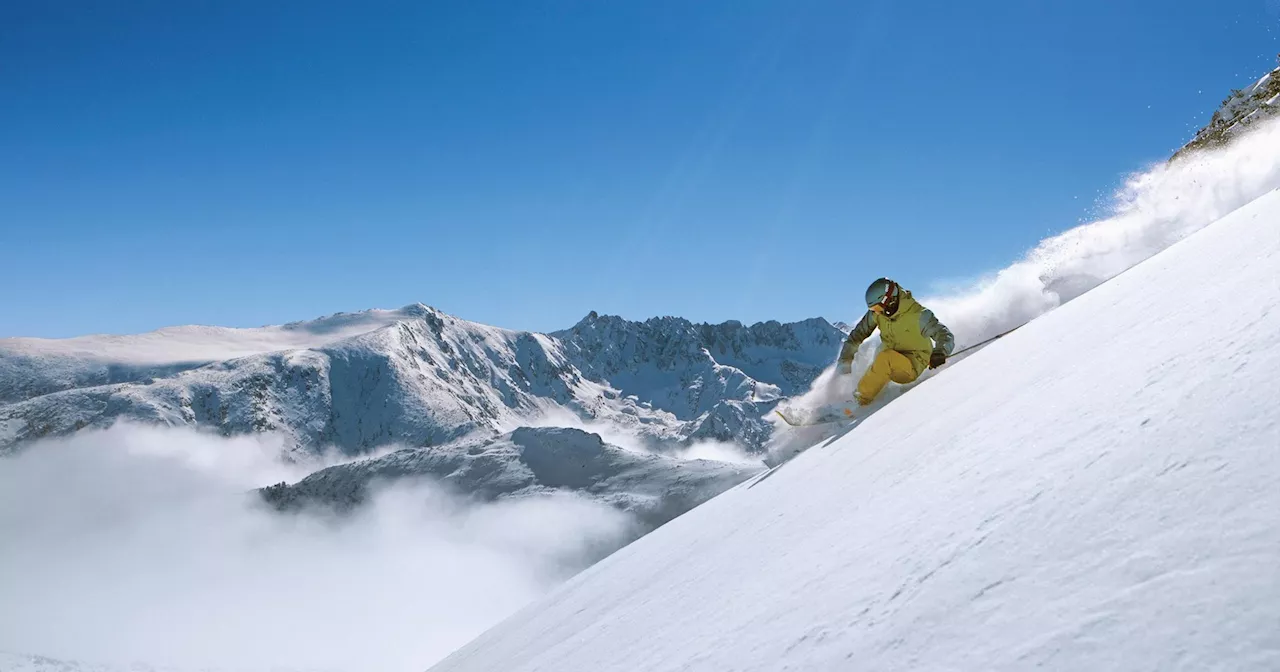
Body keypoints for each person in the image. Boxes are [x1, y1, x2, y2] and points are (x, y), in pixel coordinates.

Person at [837, 277, 955, 405]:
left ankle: (859, 401)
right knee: (874, 353)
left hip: (912, 365)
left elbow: (944, 334)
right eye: (873, 310)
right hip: (890, 355)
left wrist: (940, 351)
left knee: (885, 359)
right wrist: (845, 360)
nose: (876, 313)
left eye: (877, 308)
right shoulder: (879, 314)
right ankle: (862, 395)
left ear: (889, 301)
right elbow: (857, 334)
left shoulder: (919, 316)